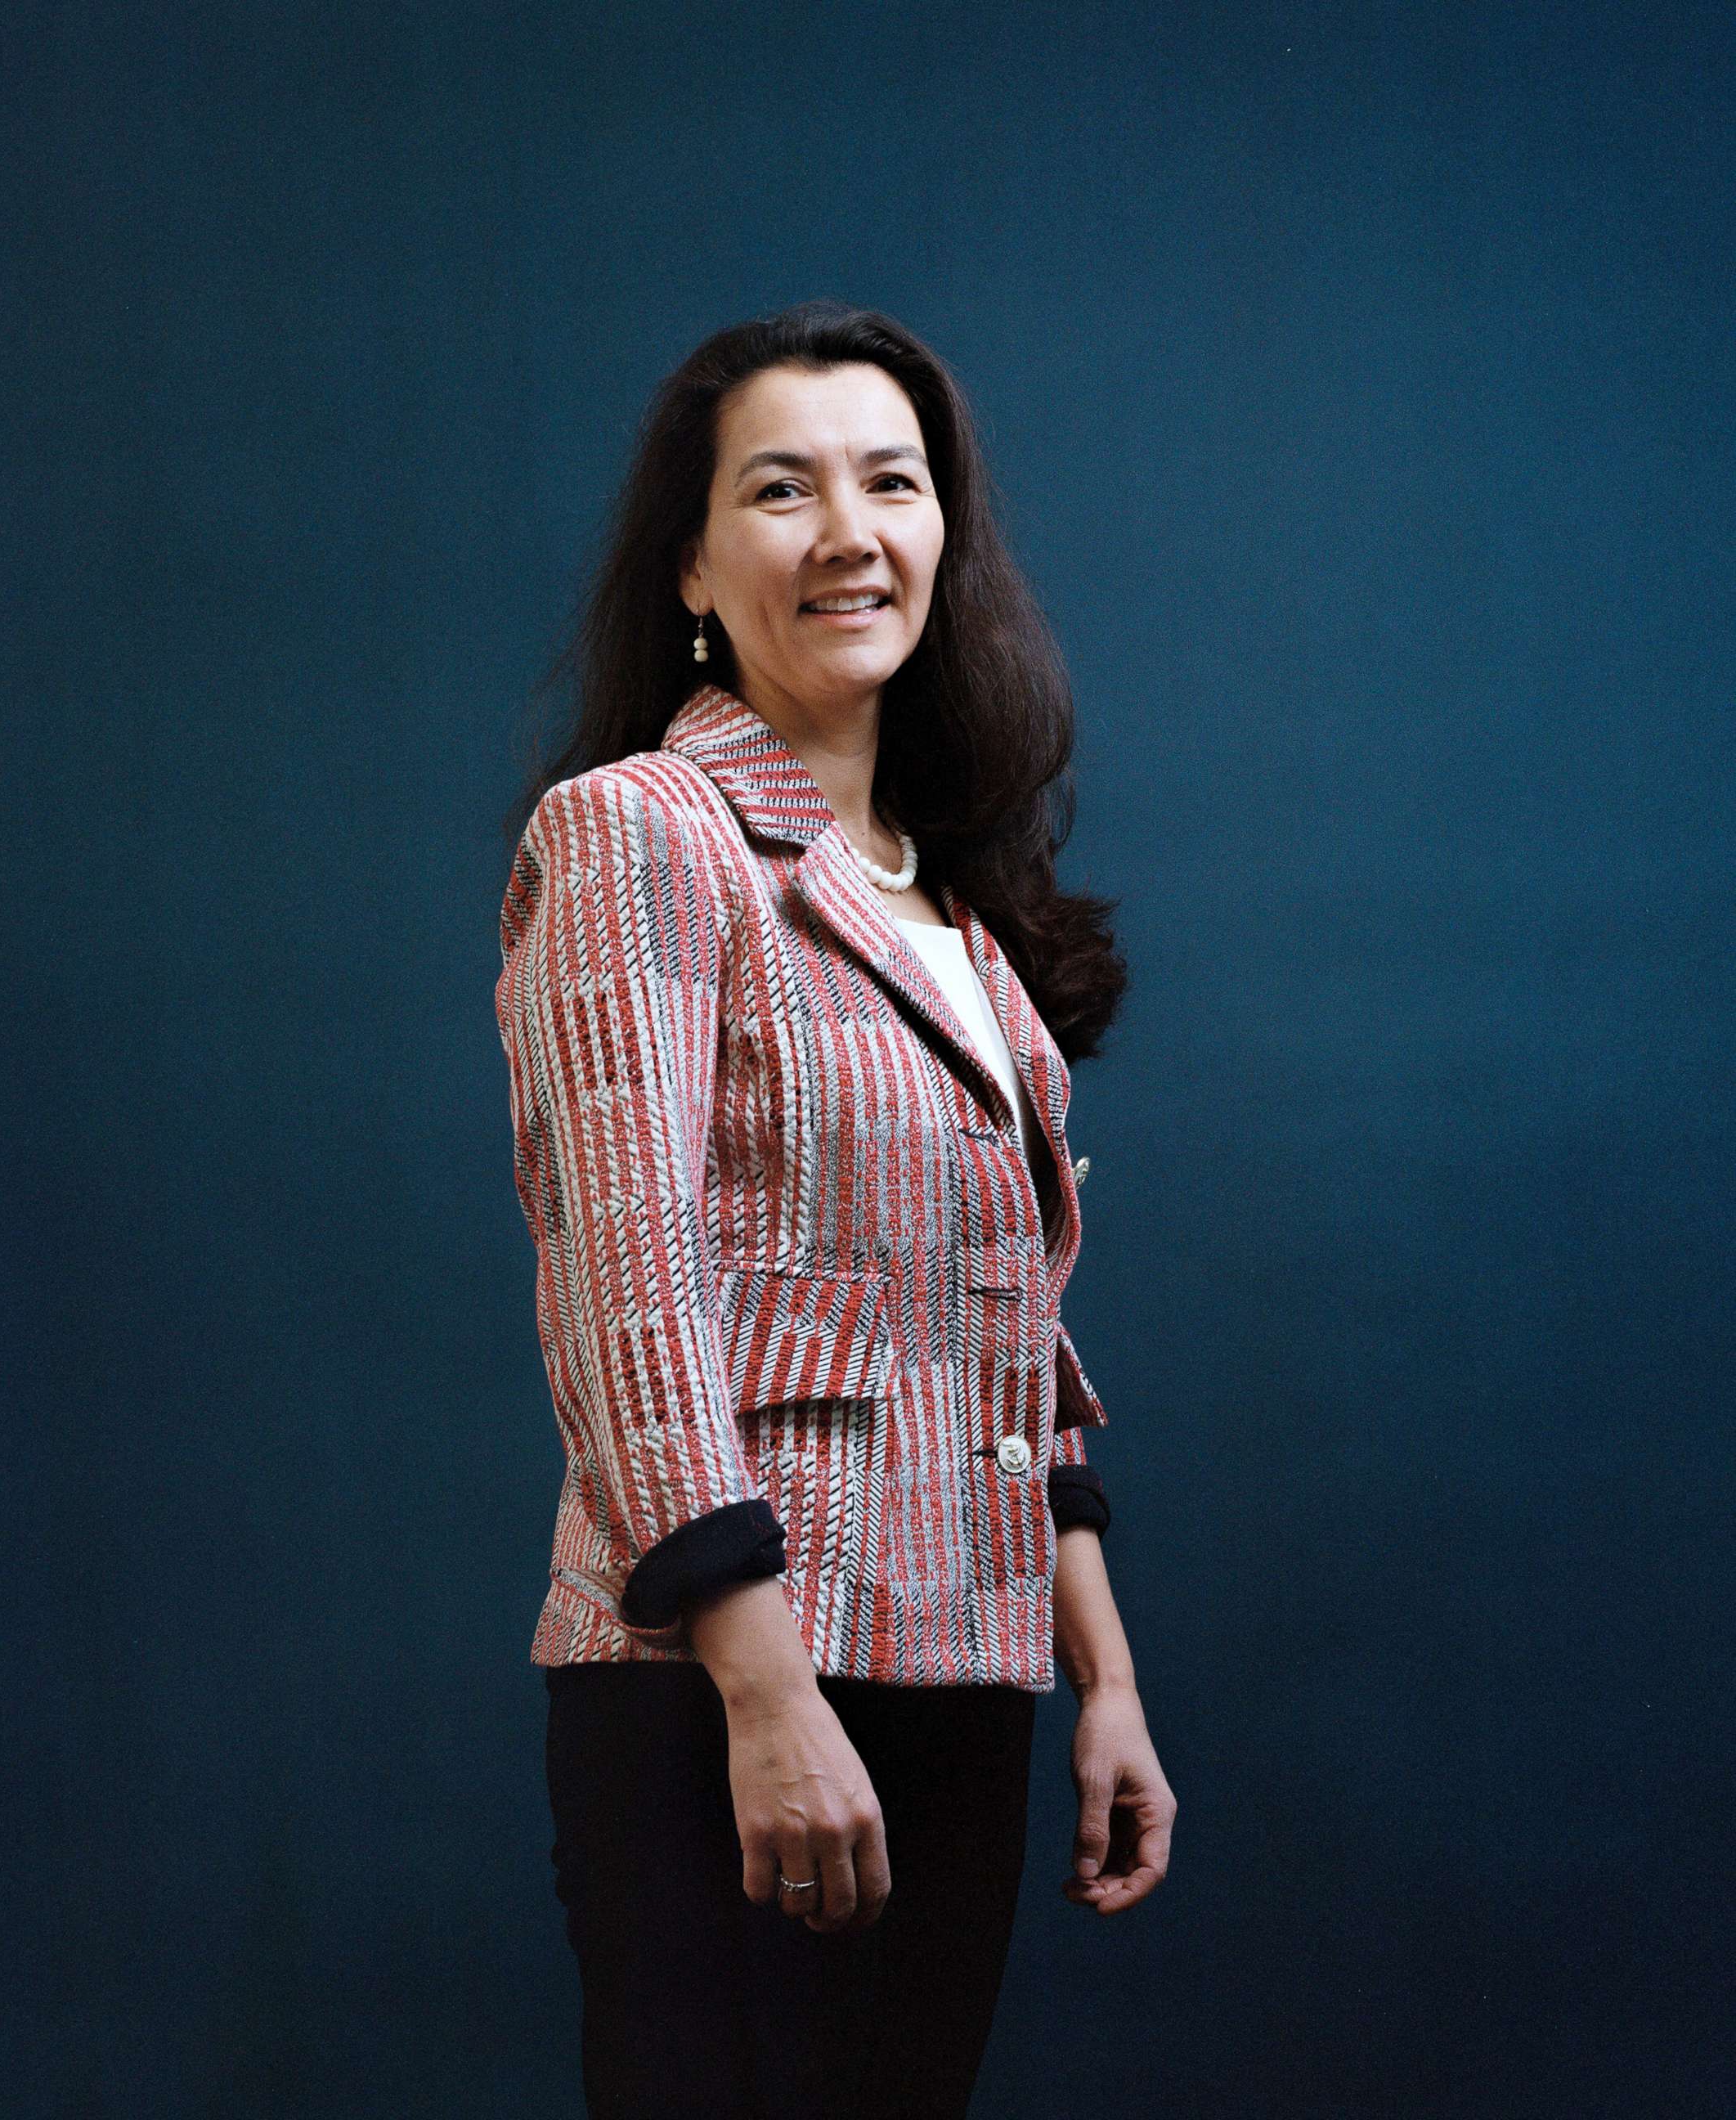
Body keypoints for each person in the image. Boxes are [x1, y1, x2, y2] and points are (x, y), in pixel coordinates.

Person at [496, 299, 1176, 2119]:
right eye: (782, 490)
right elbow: (624, 1287)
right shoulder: (638, 829)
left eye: (892, 481)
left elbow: (1013, 1329)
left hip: (965, 1668)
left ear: (946, 538)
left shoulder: (956, 916)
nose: (850, 531)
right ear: (698, 569)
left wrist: (1098, 1671)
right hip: (734, 1681)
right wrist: (764, 1695)